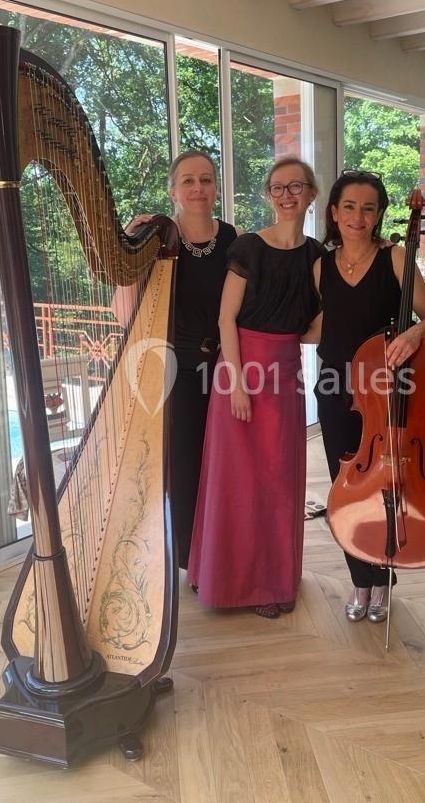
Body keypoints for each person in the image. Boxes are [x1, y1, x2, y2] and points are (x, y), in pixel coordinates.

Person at [301, 170, 425, 624]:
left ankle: (382, 581)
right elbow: (322, 325)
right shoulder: (322, 265)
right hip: (334, 386)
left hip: (385, 389)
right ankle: (360, 583)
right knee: (349, 484)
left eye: (368, 208)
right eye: (349, 207)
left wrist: (415, 335)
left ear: (380, 214)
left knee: (387, 481)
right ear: (333, 213)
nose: (358, 217)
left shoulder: (396, 257)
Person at [187, 156, 324, 619]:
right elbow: (226, 318)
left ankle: (273, 582)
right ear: (268, 195)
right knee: (235, 482)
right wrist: (238, 384)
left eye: (296, 187)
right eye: (278, 188)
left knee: (279, 482)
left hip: (284, 375)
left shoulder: (316, 256)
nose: (287, 195)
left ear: (311, 194)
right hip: (240, 372)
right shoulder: (248, 247)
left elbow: (320, 326)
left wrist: (294, 337)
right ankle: (220, 579)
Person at [125, 151, 238, 576]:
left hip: (225, 368)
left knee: (227, 466)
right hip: (174, 372)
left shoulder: (233, 238)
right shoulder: (156, 241)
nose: (198, 188)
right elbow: (124, 313)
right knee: (185, 467)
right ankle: (192, 562)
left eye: (206, 179)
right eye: (188, 180)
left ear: (215, 188)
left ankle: (224, 553)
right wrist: (129, 248)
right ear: (173, 190)